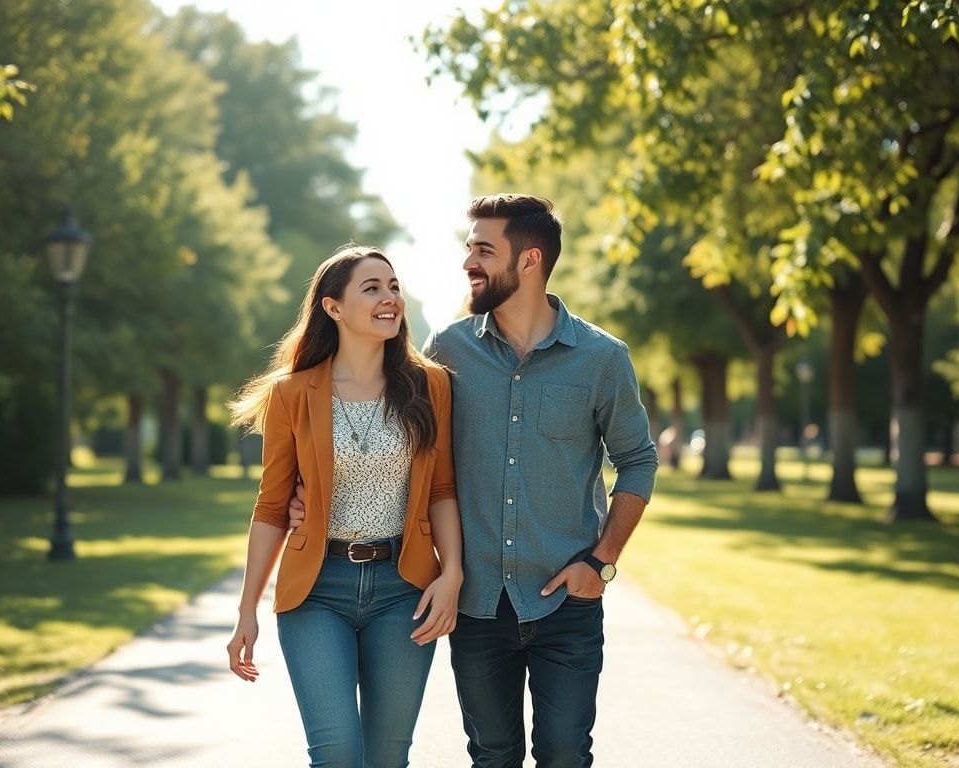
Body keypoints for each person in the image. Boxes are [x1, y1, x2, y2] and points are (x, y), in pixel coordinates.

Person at [291, 195, 658, 767]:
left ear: (529, 261)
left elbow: (638, 458)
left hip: (566, 601)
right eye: (469, 250)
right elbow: (407, 455)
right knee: (491, 755)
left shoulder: (602, 358)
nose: (470, 263)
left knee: (565, 754)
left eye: (484, 251)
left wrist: (601, 561)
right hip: (478, 604)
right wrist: (315, 503)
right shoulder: (447, 353)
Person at [225, 245, 464, 768]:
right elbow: (270, 508)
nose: (389, 299)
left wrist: (453, 575)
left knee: (385, 759)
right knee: (335, 755)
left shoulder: (430, 385)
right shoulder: (292, 394)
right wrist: (247, 609)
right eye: (372, 288)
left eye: (394, 287)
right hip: (317, 591)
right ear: (333, 308)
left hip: (405, 592)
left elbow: (442, 490)